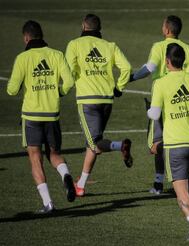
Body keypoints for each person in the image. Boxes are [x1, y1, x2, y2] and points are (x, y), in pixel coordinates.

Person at [147, 43, 189, 241]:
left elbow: (155, 114)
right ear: (183, 61)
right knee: (183, 176)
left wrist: (148, 111)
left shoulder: (160, 83)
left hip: (174, 144)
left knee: (180, 191)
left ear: (167, 62)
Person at [7, 20, 76, 213]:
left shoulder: (22, 58)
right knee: (53, 154)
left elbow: (12, 90)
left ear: (26, 38)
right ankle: (66, 175)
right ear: (42, 35)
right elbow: (69, 81)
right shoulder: (56, 54)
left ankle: (48, 204)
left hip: (31, 116)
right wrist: (58, 93)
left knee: (35, 158)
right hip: (52, 114)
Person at [130, 15, 189, 195]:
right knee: (174, 140)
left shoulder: (159, 46)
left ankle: (169, 182)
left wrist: (130, 77)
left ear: (167, 30)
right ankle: (163, 182)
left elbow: (150, 68)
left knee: (156, 144)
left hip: (162, 99)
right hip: (184, 99)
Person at [65, 14, 133, 197]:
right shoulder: (110, 46)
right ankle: (80, 185)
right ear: (99, 28)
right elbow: (126, 67)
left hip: (87, 101)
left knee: (94, 144)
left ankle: (120, 146)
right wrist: (119, 87)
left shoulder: (74, 44)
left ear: (83, 26)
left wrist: (64, 87)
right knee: (93, 143)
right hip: (106, 101)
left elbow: (69, 71)